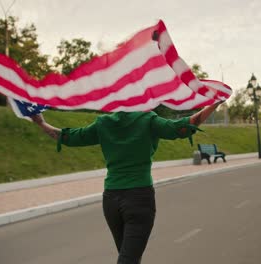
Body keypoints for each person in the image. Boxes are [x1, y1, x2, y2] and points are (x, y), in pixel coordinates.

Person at [30, 102, 222, 264]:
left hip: (111, 201)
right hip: (139, 199)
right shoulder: (148, 120)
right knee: (128, 260)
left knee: (129, 257)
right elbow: (184, 125)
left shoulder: (103, 123)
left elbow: (69, 137)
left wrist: (42, 124)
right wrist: (214, 103)